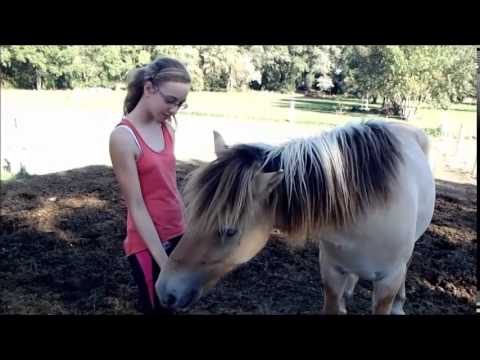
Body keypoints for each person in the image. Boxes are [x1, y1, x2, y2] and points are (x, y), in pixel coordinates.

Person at [109, 57, 191, 314]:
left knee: (175, 305)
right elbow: (136, 204)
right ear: (148, 88)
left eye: (180, 103)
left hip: (178, 231)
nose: (174, 110)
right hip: (147, 243)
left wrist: (187, 228)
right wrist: (163, 260)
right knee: (156, 308)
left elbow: (169, 185)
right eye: (170, 100)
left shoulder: (167, 128)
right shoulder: (123, 138)